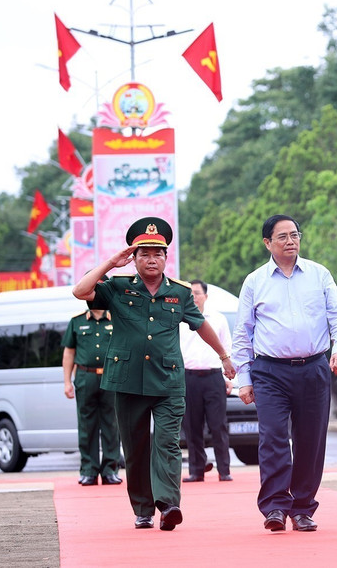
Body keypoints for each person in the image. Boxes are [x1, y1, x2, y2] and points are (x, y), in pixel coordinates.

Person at [72, 217, 233, 532]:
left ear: (166, 257)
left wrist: (224, 357)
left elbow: (200, 325)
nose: (151, 259)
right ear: (133, 258)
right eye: (144, 253)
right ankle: (143, 509)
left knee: (168, 443)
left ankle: (169, 504)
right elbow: (81, 291)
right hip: (127, 380)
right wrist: (110, 263)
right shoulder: (117, 288)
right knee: (135, 448)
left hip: (168, 381)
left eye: (157, 253)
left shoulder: (181, 294)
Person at [231, 214, 337, 533]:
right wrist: (244, 379)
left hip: (314, 367)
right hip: (270, 371)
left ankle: (302, 507)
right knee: (272, 438)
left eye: (295, 235)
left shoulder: (319, 275)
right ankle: (274, 507)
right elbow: (243, 333)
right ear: (267, 243)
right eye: (282, 236)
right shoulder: (255, 281)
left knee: (311, 441)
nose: (290, 241)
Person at [61, 296, 122, 487]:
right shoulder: (77, 321)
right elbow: (69, 352)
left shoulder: (116, 319)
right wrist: (67, 382)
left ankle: (110, 470)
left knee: (111, 425)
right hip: (85, 377)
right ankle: (88, 470)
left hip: (111, 377)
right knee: (87, 426)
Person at [180, 279, 234, 483]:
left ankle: (224, 469)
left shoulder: (218, 319)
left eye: (197, 292)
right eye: (190, 293)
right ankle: (197, 470)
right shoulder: (180, 319)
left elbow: (227, 347)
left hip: (213, 377)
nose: (193, 297)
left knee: (218, 424)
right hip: (189, 377)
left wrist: (229, 378)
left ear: (206, 296)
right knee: (192, 426)